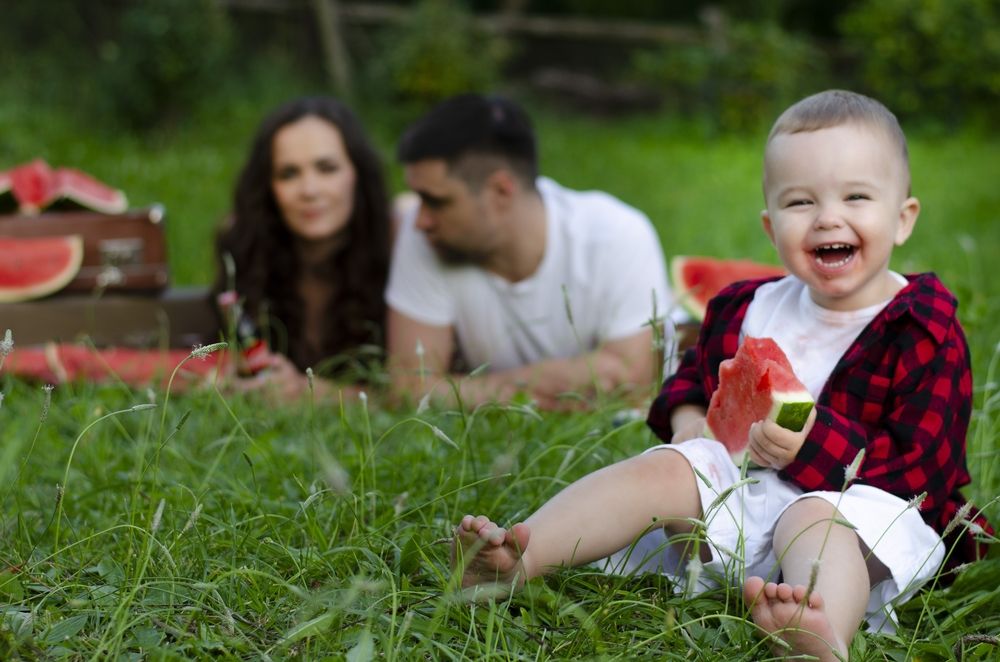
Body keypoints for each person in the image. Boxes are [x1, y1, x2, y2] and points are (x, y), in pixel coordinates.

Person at [452, 90, 993, 661]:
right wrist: (688, 426)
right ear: (770, 225)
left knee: (816, 517)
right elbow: (688, 384)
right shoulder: (746, 307)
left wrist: (811, 443)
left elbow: (920, 471)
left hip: (858, 519)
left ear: (903, 219)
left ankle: (819, 629)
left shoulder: (922, 327)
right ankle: (519, 555)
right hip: (739, 504)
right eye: (800, 202)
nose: (828, 217)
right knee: (663, 467)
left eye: (856, 196)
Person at [386, 94, 675, 409]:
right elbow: (409, 389)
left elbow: (629, 385)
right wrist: (533, 382)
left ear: (500, 191)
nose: (420, 220)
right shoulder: (427, 237)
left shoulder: (616, 234)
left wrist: (467, 390)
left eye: (437, 202)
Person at [214, 96, 392, 402]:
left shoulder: (399, 242)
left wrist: (308, 392)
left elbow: (410, 395)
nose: (309, 190)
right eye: (289, 174)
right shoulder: (245, 245)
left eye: (327, 168)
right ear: (269, 187)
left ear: (357, 174)